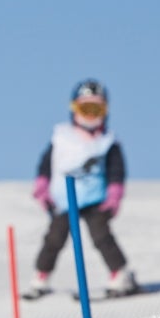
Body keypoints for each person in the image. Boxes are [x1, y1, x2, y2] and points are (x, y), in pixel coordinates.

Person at [24, 79, 139, 299]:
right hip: (64, 199)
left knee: (102, 237)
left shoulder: (108, 142)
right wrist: (42, 188)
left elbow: (116, 170)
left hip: (96, 199)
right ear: (74, 108)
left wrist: (115, 194)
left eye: (96, 109)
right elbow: (46, 164)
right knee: (54, 239)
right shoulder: (61, 137)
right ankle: (41, 277)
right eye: (85, 108)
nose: (90, 115)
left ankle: (120, 274)